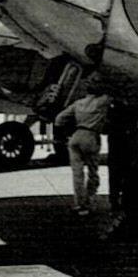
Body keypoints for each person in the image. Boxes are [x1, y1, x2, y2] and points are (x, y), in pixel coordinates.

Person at [54, 84, 111, 216]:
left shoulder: (78, 103)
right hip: (91, 136)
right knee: (92, 171)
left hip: (76, 136)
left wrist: (67, 131)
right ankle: (89, 202)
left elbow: (59, 119)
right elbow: (112, 95)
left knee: (77, 173)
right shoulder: (101, 102)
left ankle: (78, 203)